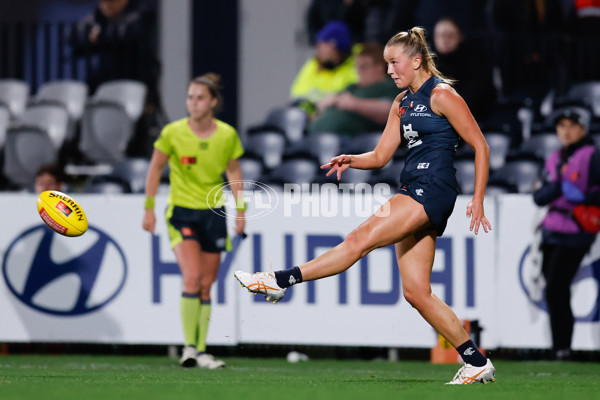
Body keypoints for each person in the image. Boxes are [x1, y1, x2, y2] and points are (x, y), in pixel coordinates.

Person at [235, 27, 495, 385]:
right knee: (416, 293)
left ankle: (281, 280)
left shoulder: (442, 95)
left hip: (432, 189)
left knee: (358, 239)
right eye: (387, 63)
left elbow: (481, 146)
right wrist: (351, 159)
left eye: (394, 62)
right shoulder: (401, 102)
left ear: (416, 61)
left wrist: (478, 197)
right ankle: (476, 361)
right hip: (415, 187)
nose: (389, 70)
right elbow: (381, 155)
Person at [142, 73, 245, 369]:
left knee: (206, 285)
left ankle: (201, 350)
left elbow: (234, 172)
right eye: (190, 97)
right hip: (182, 212)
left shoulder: (226, 135)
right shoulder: (172, 133)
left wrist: (241, 210)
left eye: (200, 98)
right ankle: (189, 348)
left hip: (213, 214)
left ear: (213, 102)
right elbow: (154, 169)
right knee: (192, 278)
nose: (193, 103)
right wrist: (148, 208)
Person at [533, 106, 600, 361]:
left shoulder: (591, 155)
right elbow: (539, 197)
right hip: (552, 230)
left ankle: (561, 349)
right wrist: (559, 186)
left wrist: (585, 197)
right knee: (557, 290)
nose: (567, 131)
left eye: (572, 126)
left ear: (583, 129)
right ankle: (561, 348)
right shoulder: (555, 158)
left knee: (556, 289)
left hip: (576, 230)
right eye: (562, 126)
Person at [69, 0, 163, 157]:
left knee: (136, 138)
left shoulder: (141, 14)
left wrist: (99, 37)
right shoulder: (97, 18)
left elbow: (128, 35)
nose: (106, 4)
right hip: (102, 84)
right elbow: (75, 37)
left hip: (135, 86)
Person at [308, 42, 399, 138]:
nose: (358, 71)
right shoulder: (352, 87)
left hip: (352, 143)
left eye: (363, 66)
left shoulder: (389, 86)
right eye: (356, 66)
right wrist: (324, 105)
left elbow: (390, 111)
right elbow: (328, 104)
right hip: (316, 136)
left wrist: (353, 104)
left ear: (380, 67)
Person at [432, 17, 496, 121]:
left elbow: (473, 100)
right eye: (439, 35)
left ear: (460, 37)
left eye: (450, 36)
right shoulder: (427, 64)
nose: (444, 40)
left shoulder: (475, 62)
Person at [291, 21, 358, 105]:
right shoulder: (313, 65)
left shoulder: (357, 66)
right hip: (311, 116)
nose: (319, 50)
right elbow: (298, 95)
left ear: (336, 47)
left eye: (324, 45)